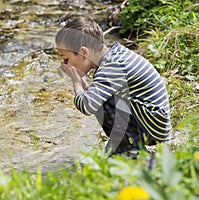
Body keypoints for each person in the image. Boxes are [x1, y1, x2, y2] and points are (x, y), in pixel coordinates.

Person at [55, 17, 171, 158]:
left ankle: (130, 151)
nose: (65, 64)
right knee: (99, 96)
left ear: (84, 52)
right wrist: (85, 86)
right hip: (153, 120)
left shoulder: (112, 67)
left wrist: (77, 84)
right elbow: (98, 93)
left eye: (66, 59)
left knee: (100, 103)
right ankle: (125, 145)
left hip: (153, 128)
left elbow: (87, 106)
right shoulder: (114, 56)